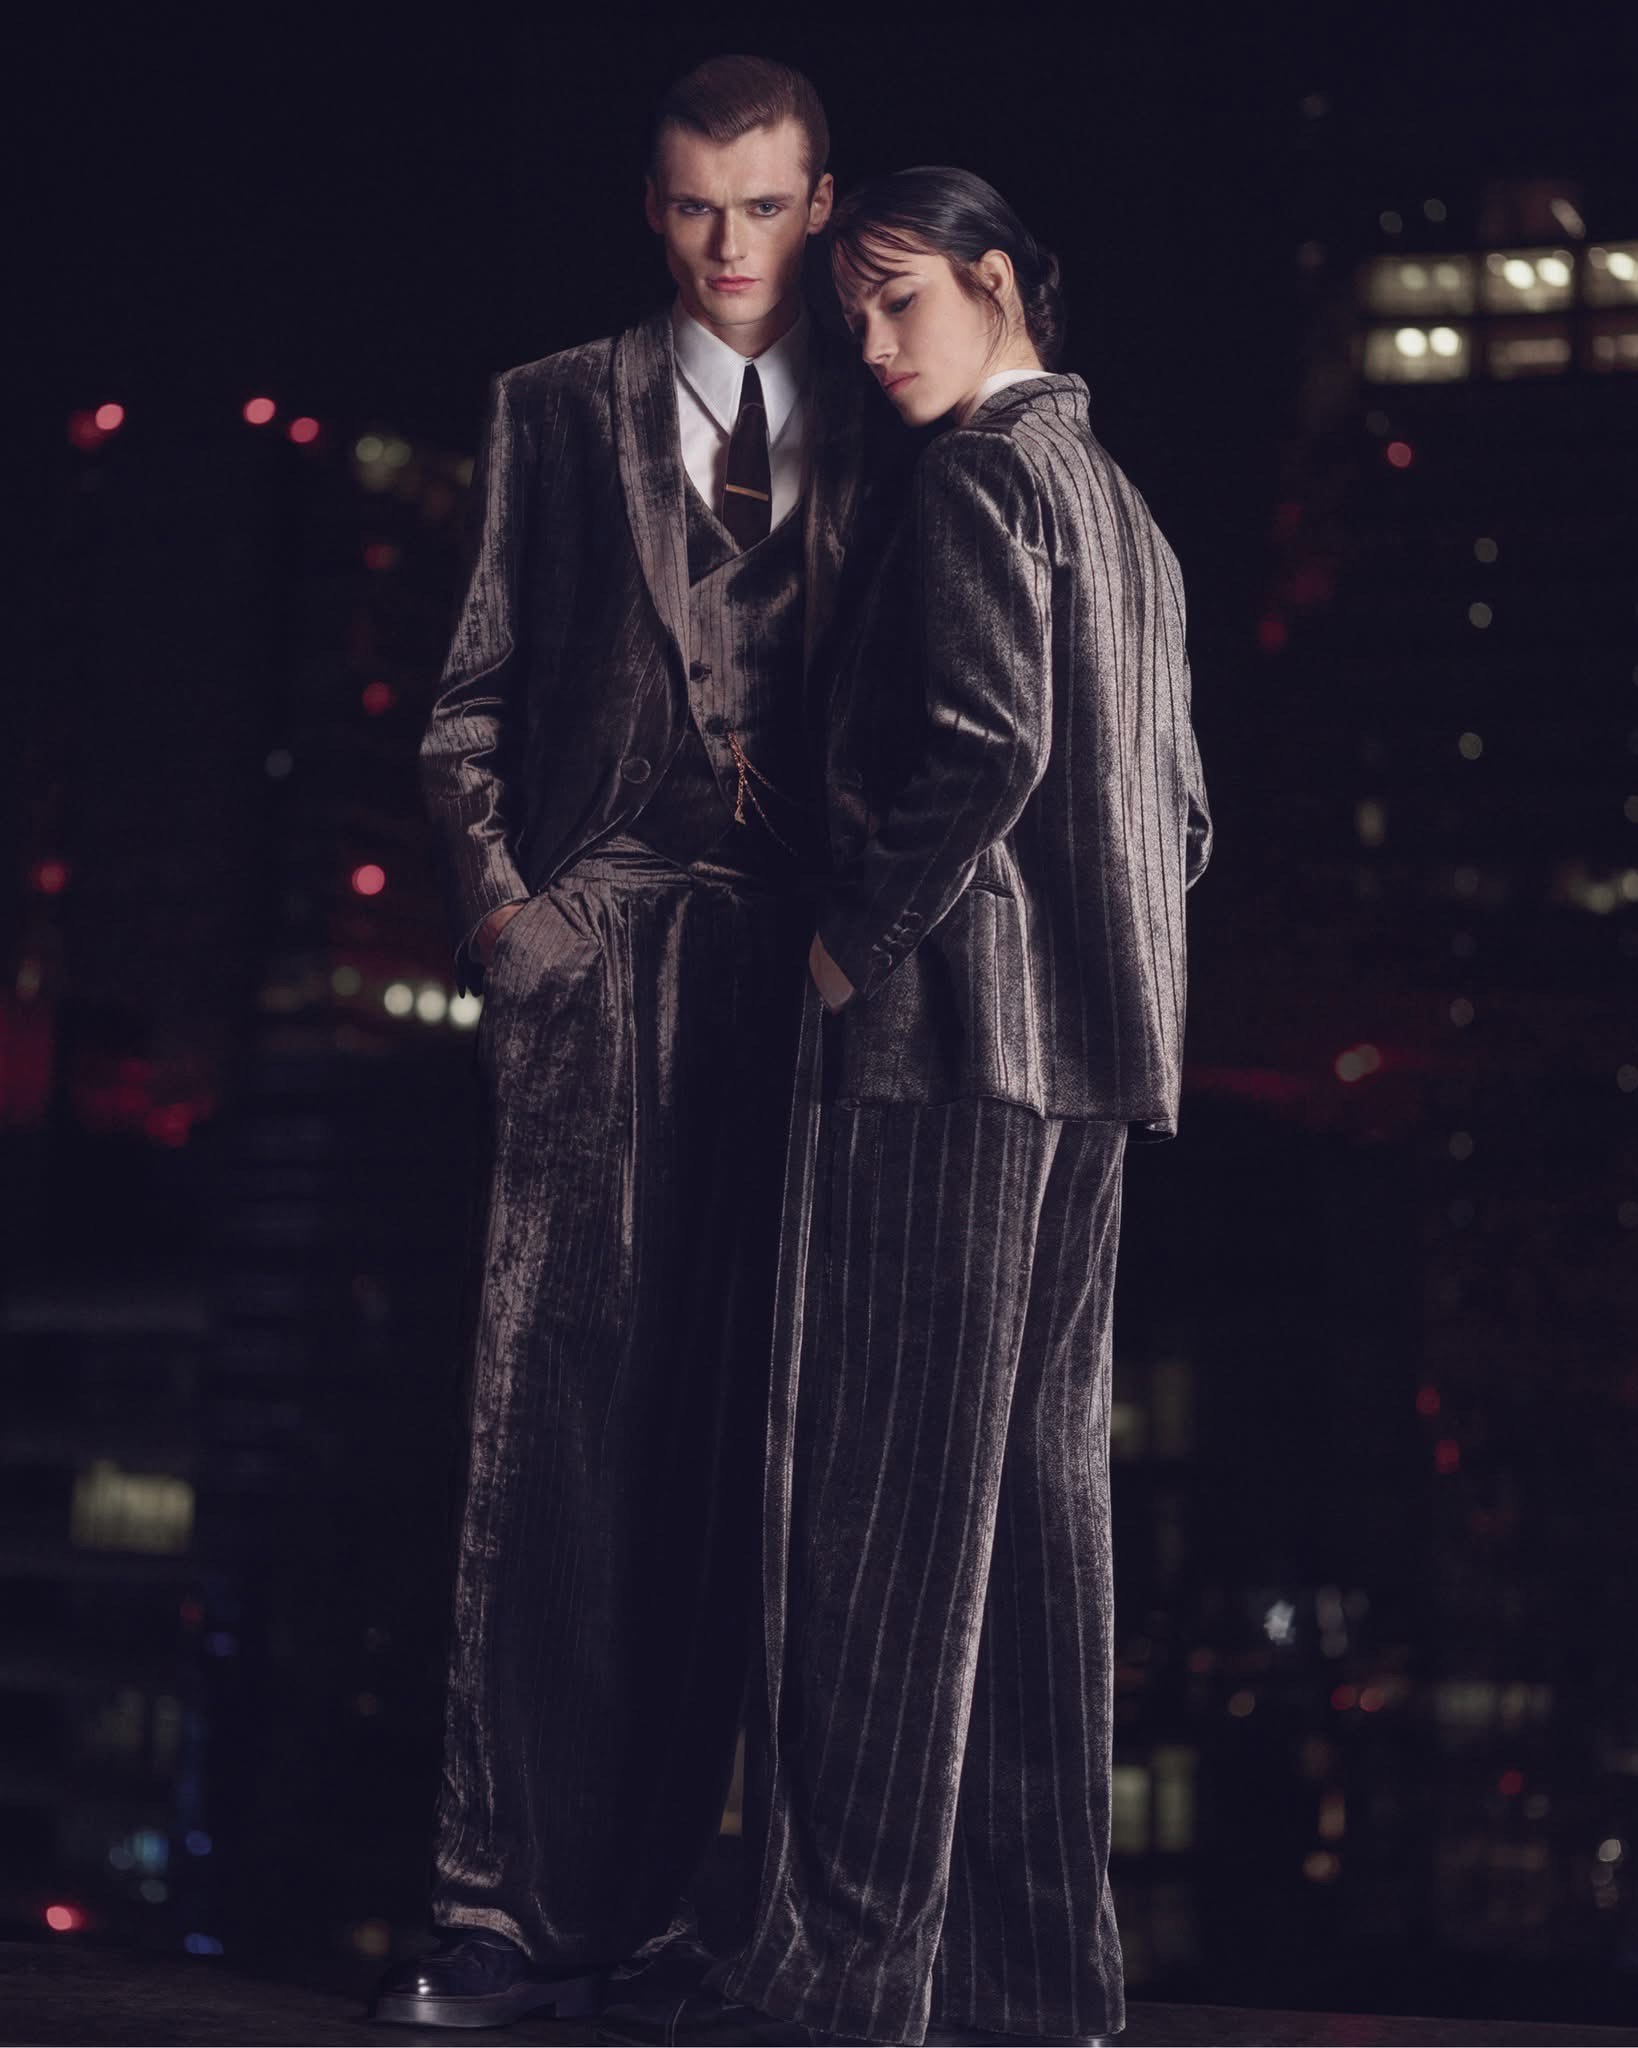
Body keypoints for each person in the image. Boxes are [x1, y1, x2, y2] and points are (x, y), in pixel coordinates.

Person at [602, 169, 1212, 2047]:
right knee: (1027, 1538)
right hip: (1092, 1075)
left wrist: (844, 950)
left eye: (899, 303)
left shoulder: (978, 488)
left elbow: (985, 751)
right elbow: (1183, 820)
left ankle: (832, 1976)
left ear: (999, 282)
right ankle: (1033, 1987)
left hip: (939, 1053)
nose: (868, 346)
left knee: (869, 1522)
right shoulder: (1126, 513)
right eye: (849, 317)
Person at [369, 55, 904, 2031]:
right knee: (551, 1439)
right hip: (596, 968)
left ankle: (682, 1912)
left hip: (812, 989)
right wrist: (504, 918)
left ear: (820, 204)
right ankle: (498, 1910)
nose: (727, 244)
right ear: (651, 203)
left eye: (762, 205)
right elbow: (467, 705)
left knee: (754, 1456)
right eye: (693, 205)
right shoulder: (548, 406)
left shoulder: (892, 414)